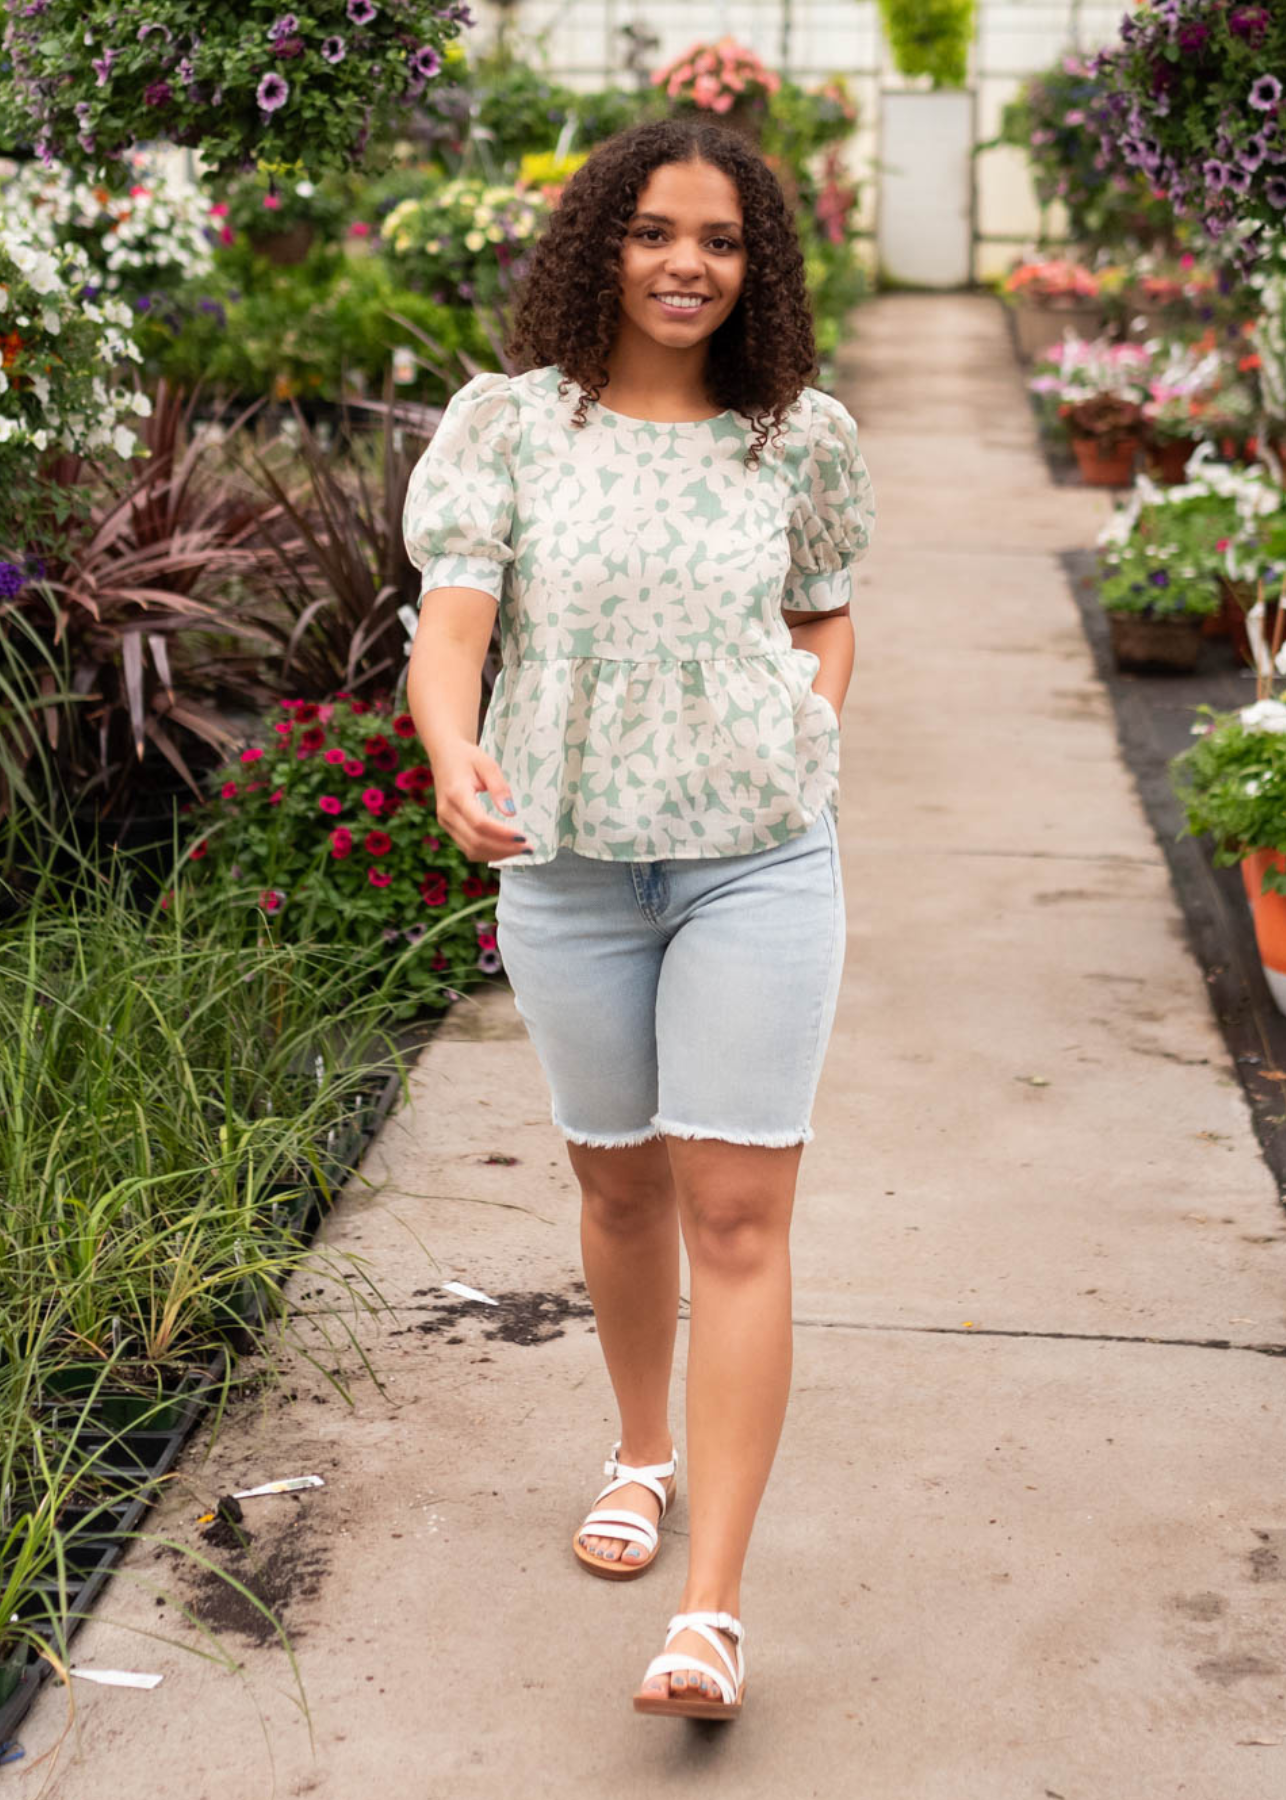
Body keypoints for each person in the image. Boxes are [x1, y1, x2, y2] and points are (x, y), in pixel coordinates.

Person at [403, 115, 874, 1721]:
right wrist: (453, 748)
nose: (688, 263)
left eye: (723, 241)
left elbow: (826, 611)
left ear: (758, 270)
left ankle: (711, 1610)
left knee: (736, 1216)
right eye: (658, 231)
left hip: (754, 856)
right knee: (619, 1198)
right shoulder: (509, 426)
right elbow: (452, 625)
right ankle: (639, 1450)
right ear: (601, 240)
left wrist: (806, 727)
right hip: (571, 868)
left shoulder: (793, 435)